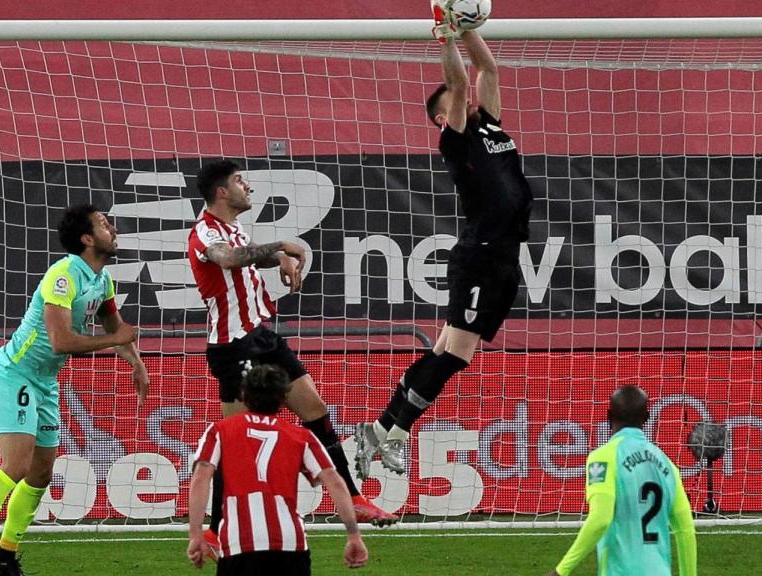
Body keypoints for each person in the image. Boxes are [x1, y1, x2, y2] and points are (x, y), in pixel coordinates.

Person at [353, 11, 533, 479]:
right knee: (454, 352)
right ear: (441, 115)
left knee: (452, 352)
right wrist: (445, 36)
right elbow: (457, 78)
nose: (469, 98)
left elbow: (487, 70)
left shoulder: (490, 126)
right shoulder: (454, 139)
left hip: (505, 258)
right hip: (480, 254)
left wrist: (466, 25)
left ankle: (378, 430)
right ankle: (394, 434)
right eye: (457, 100)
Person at [187, 160, 396, 546]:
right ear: (220, 192)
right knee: (235, 440)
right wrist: (283, 245)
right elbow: (228, 259)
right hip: (233, 347)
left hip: (263, 336)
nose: (246, 187)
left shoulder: (233, 229)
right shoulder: (204, 232)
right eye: (238, 181)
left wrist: (277, 259)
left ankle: (352, 498)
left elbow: (245, 254)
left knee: (316, 410)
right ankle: (215, 530)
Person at [0, 205, 148, 576]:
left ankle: (5, 556)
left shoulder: (102, 282)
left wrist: (135, 362)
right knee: (17, 465)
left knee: (40, 474)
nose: (113, 229)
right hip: (15, 373)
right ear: (87, 239)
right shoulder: (63, 275)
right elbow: (60, 341)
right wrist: (113, 340)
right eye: (104, 224)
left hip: (45, 381)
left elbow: (116, 327)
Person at [187, 364, 368, 574]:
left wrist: (196, 534)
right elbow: (334, 481)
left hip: (239, 543)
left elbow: (201, 478)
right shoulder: (301, 436)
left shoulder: (220, 431)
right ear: (283, 400)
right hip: (290, 544)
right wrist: (353, 535)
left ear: (244, 394)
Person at [548, 386, 697, 576]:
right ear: (647, 418)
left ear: (609, 416)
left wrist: (561, 571)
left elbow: (601, 519)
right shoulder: (668, 465)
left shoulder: (602, 458)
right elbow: (686, 531)